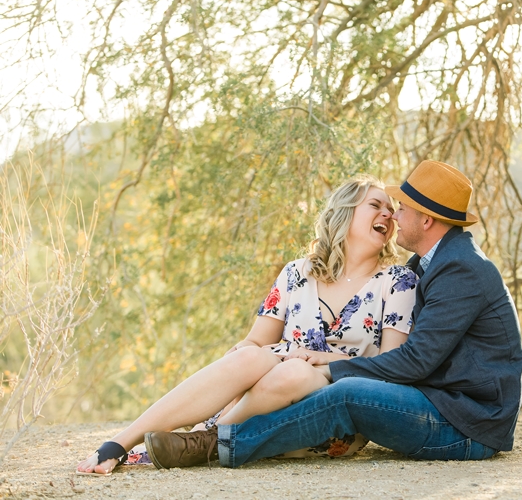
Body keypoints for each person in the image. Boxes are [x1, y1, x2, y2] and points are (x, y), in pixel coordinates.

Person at [144, 159, 522, 467]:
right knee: (320, 383)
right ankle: (186, 436)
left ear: (426, 220)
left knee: (347, 393)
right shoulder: (432, 263)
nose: (395, 216)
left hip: (467, 423)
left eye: (402, 208)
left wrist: (326, 366)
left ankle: (213, 445)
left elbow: (415, 360)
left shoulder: (456, 268)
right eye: (384, 206)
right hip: (449, 405)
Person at [76, 175, 417, 475]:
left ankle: (200, 441)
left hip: (329, 412)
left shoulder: (398, 281)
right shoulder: (297, 273)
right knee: (249, 356)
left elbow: (388, 367)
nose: (389, 214)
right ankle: (120, 444)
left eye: (392, 210)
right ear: (344, 210)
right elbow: (256, 342)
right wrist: (237, 365)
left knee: (295, 372)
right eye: (376, 205)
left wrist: (327, 361)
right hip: (265, 394)